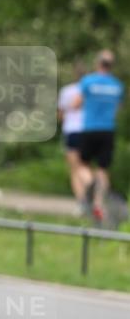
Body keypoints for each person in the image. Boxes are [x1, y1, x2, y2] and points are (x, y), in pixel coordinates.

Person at [73, 50, 124, 222]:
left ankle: (90, 185)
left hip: (90, 128)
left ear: (97, 63)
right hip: (108, 130)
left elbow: (76, 104)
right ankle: (99, 204)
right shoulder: (117, 85)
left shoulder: (88, 81)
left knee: (81, 165)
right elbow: (118, 109)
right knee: (103, 169)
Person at [56, 62, 85, 209]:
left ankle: (82, 202)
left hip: (72, 131)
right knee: (85, 166)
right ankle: (95, 195)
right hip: (89, 131)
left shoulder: (66, 91)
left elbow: (60, 115)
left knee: (75, 169)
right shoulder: (90, 90)